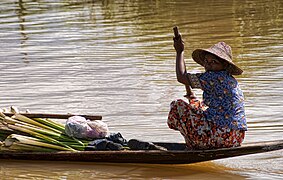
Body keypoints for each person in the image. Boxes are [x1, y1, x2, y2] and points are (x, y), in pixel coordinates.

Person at [167, 34, 247, 150]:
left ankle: (194, 142)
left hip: (219, 136)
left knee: (177, 105)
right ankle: (196, 138)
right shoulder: (230, 80)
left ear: (224, 65)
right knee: (198, 105)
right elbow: (211, 108)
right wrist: (192, 98)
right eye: (206, 61)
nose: (208, 65)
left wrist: (179, 52)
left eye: (214, 62)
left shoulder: (213, 77)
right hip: (235, 138)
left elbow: (181, 77)